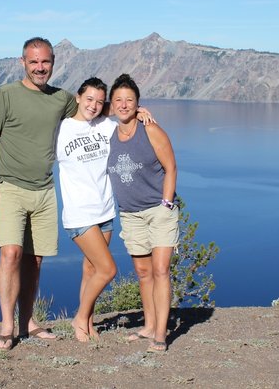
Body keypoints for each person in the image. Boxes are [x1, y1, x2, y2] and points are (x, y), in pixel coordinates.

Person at [0, 37, 77, 350]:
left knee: (35, 261)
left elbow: (92, 110)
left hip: (45, 190)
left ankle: (27, 322)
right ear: (22, 62)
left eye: (45, 62)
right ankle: (7, 326)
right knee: (10, 254)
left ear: (53, 63)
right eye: (33, 62)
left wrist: (133, 110)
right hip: (9, 187)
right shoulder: (5, 95)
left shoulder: (61, 98)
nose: (40, 67)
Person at [106, 73, 179, 353]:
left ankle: (160, 334)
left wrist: (166, 203)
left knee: (160, 270)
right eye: (118, 100)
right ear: (111, 105)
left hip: (158, 211)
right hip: (130, 213)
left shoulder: (150, 129)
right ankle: (149, 326)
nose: (124, 105)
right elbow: (85, 105)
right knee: (143, 272)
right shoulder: (107, 133)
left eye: (130, 100)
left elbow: (171, 167)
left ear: (138, 103)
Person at [54, 77, 118, 342]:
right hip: (80, 214)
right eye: (89, 99)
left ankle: (88, 324)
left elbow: (128, 123)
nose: (93, 105)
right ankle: (80, 317)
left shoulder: (106, 125)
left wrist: (141, 113)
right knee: (108, 269)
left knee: (92, 270)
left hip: (105, 211)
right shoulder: (60, 129)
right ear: (78, 97)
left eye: (99, 101)